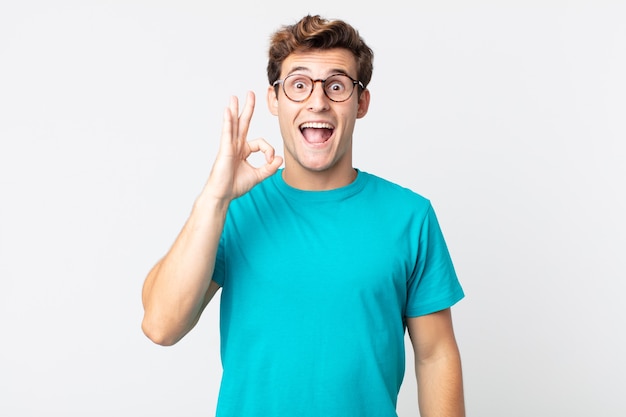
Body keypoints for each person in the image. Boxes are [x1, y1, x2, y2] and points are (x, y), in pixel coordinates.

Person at [141, 14, 465, 417]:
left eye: (336, 85)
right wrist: (215, 197)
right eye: (298, 85)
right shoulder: (232, 212)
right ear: (275, 100)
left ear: (361, 102)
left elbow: (435, 356)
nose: (317, 101)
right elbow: (161, 324)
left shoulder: (410, 217)